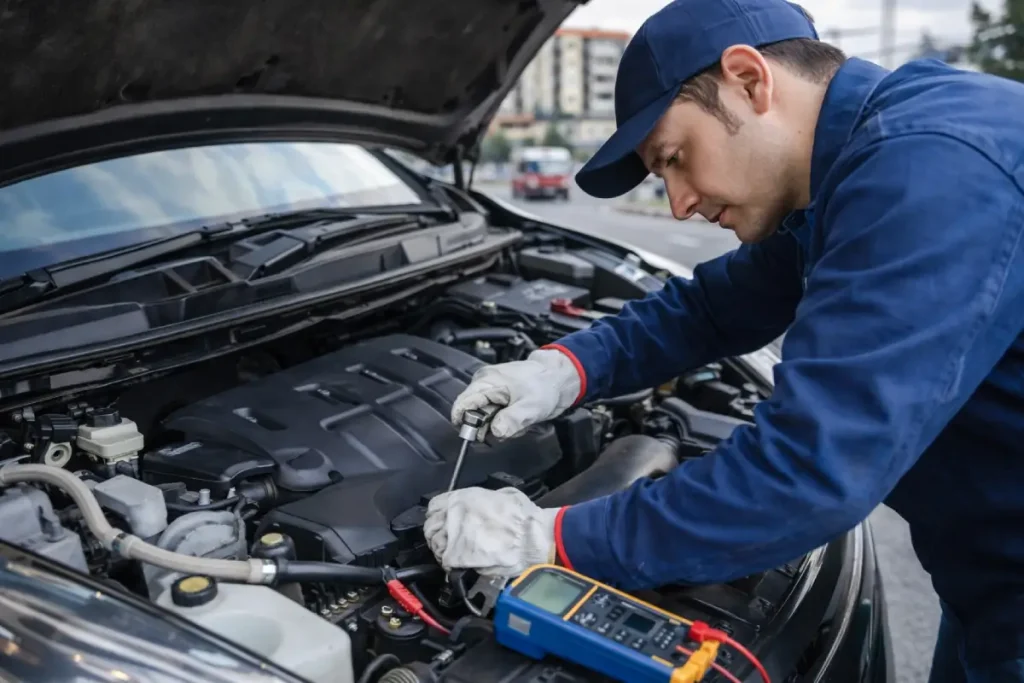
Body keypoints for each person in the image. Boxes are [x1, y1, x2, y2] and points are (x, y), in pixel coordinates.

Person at [422, 0, 1024, 679]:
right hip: (988, 586)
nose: (679, 203)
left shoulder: (930, 171)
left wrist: (547, 538)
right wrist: (560, 369)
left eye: (676, 158)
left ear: (748, 79)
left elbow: (803, 474)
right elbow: (711, 308)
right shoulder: (853, 167)